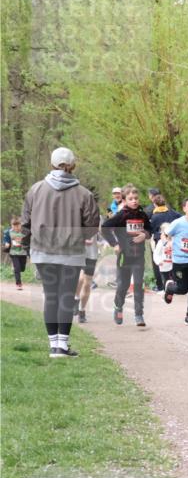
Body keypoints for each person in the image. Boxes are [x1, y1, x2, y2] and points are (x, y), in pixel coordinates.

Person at [21, 147, 100, 357]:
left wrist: (29, 247)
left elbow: (25, 223)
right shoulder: (84, 194)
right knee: (65, 297)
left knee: (51, 296)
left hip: (42, 250)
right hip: (72, 252)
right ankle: (62, 346)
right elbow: (92, 225)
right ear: (72, 165)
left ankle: (52, 345)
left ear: (52, 164)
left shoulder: (35, 190)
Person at [101, 186, 153, 326]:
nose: (134, 201)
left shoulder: (142, 215)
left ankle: (139, 315)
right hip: (124, 256)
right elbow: (104, 228)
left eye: (136, 198)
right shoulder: (121, 215)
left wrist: (145, 235)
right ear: (124, 200)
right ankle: (118, 307)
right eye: (131, 199)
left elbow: (150, 229)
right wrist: (115, 244)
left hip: (138, 256)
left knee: (138, 284)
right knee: (123, 286)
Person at [165, 197, 188, 325]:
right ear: (184, 208)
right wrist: (168, 242)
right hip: (179, 262)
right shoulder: (178, 223)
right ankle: (170, 288)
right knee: (182, 289)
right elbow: (165, 234)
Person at [147, 188, 180, 293]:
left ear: (154, 203)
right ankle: (175, 283)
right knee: (173, 261)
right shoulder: (172, 212)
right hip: (172, 240)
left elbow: (149, 229)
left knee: (158, 262)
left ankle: (161, 286)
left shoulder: (153, 214)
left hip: (159, 241)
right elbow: (181, 219)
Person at [73, 225, 101, 323]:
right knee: (80, 278)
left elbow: (101, 232)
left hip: (91, 254)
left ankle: (82, 310)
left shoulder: (95, 216)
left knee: (87, 283)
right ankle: (76, 298)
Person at [3, 216, 29, 290]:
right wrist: (6, 243)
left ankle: (15, 268)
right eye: (14, 226)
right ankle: (18, 284)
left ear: (21, 225)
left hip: (23, 253)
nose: (16, 228)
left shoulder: (25, 232)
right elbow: (5, 239)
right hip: (13, 253)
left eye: (18, 226)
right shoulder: (8, 232)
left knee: (22, 268)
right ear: (11, 225)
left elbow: (29, 240)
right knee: (17, 268)